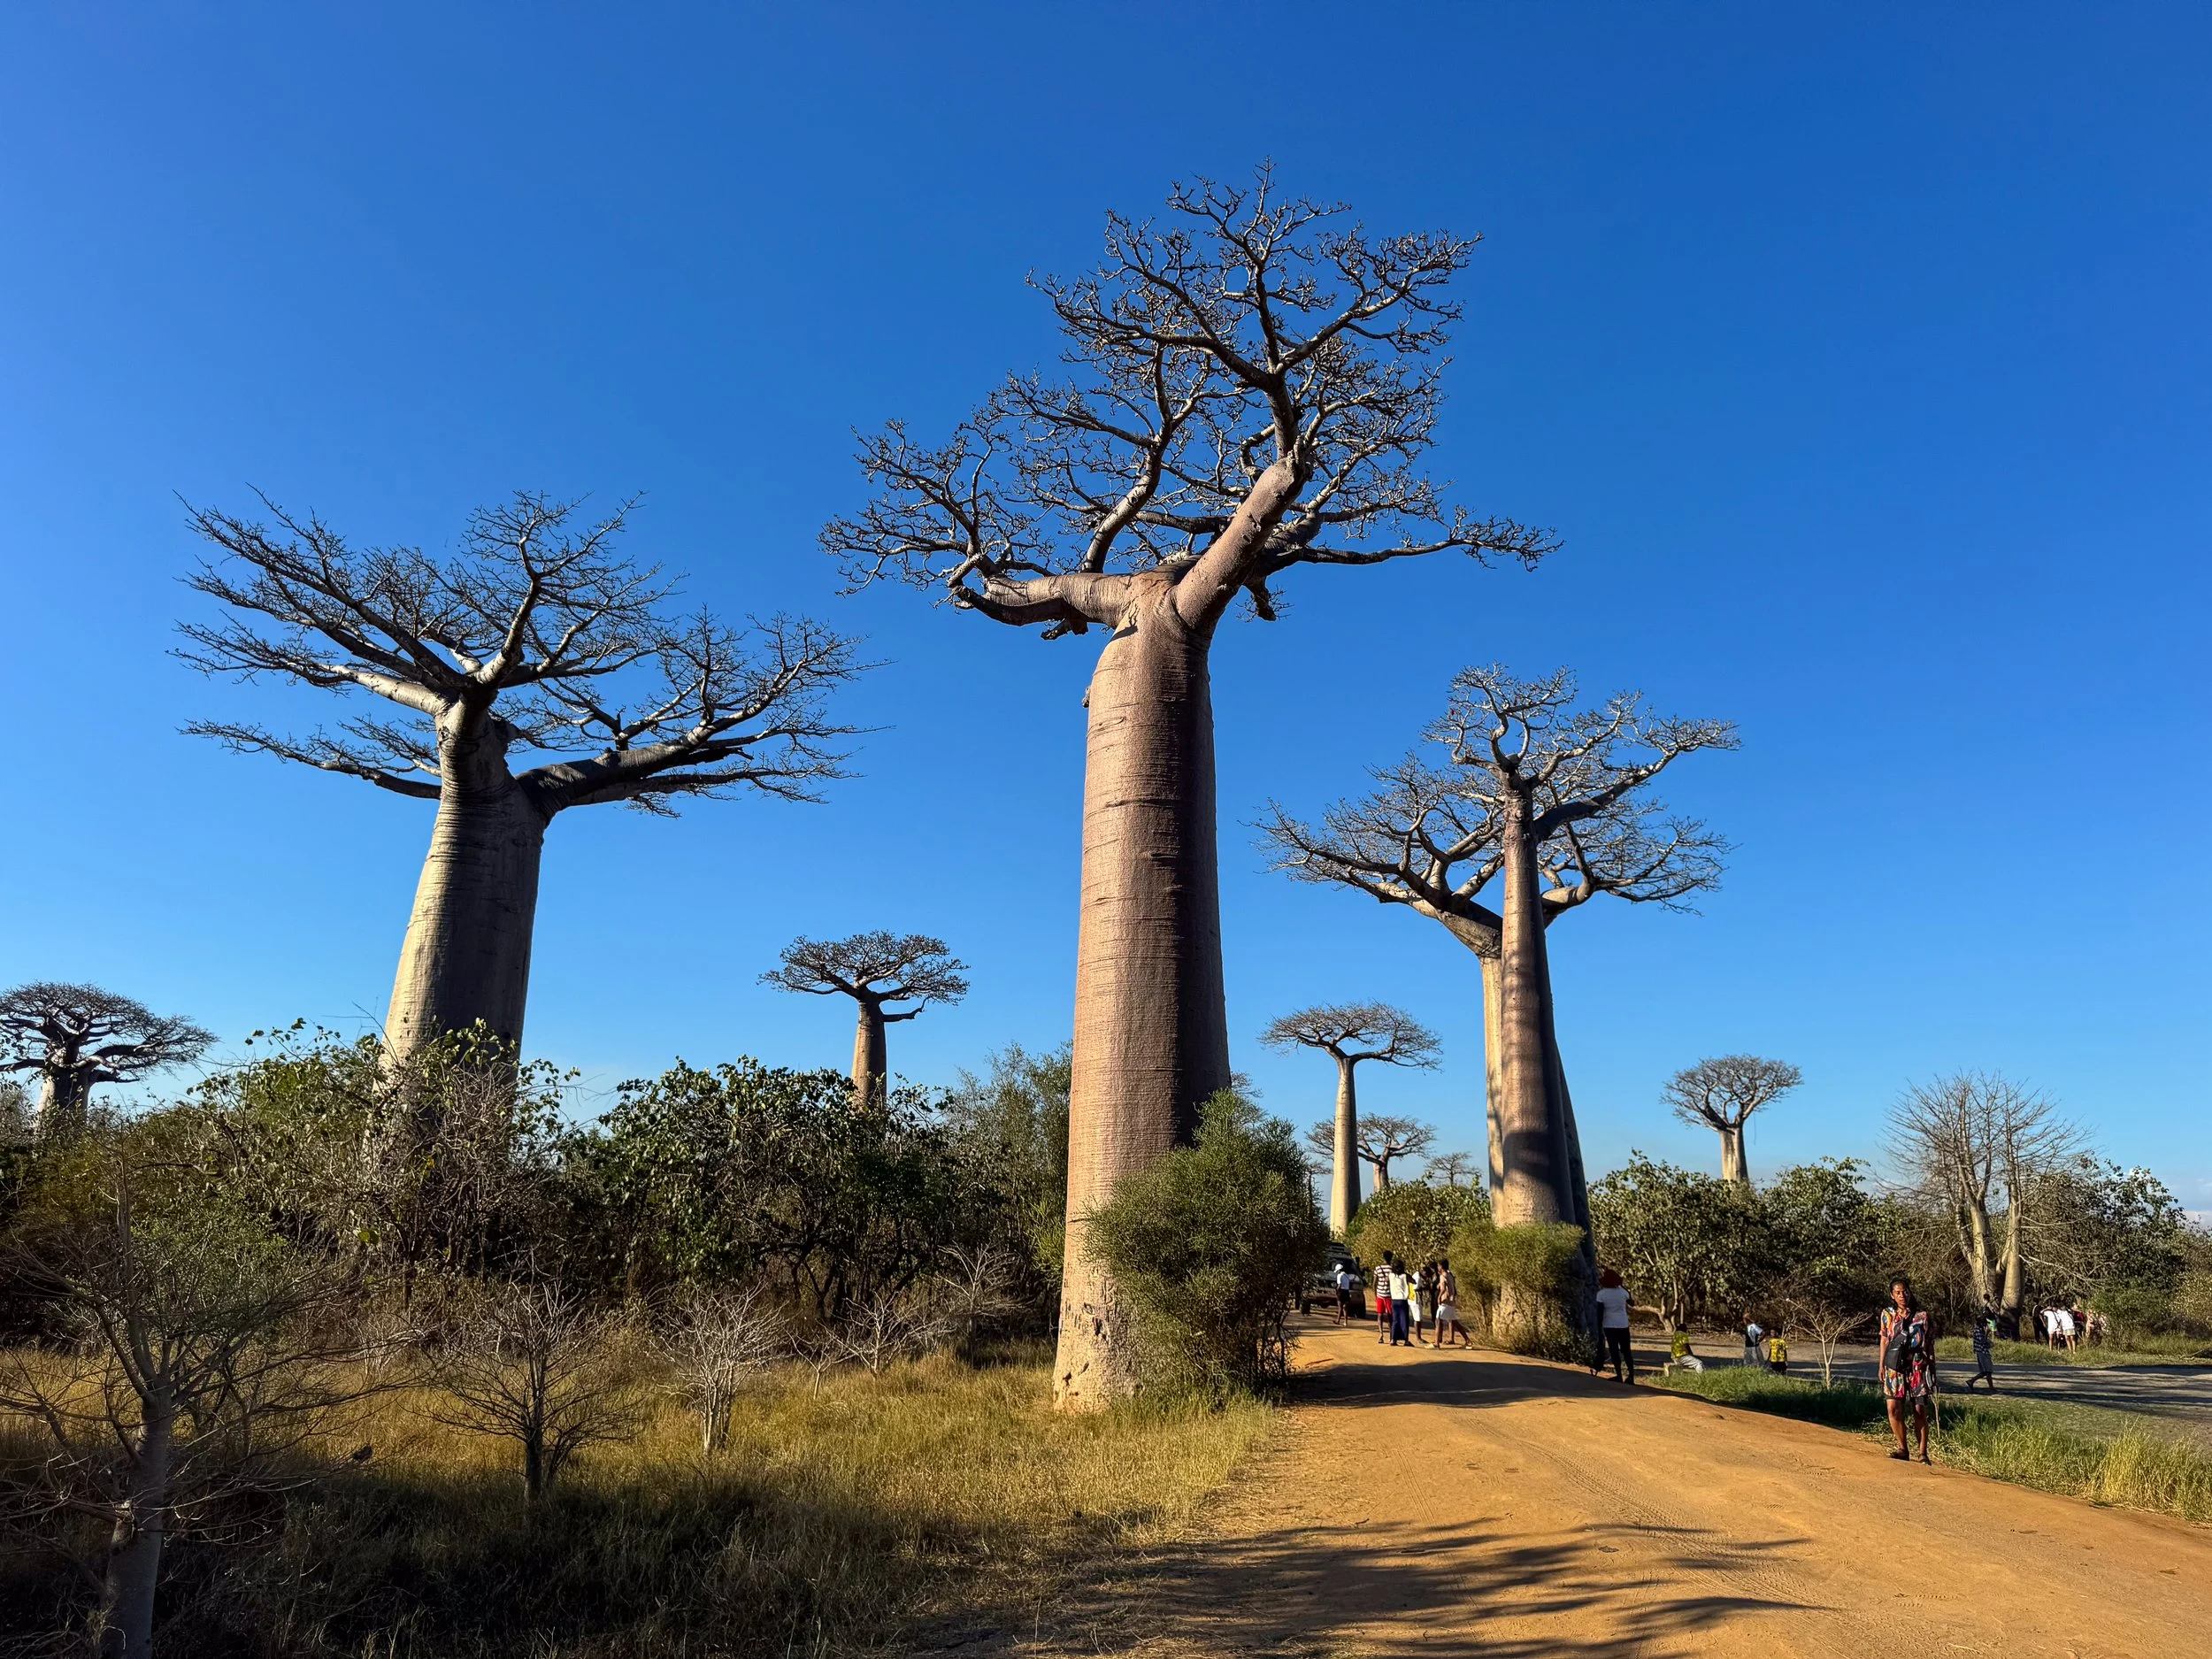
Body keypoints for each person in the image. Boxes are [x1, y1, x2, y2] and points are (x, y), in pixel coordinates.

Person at [1879, 1276, 1935, 1463]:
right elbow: (1885, 1340)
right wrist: (1881, 1365)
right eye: (1898, 1292)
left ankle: (1922, 1453)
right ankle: (1902, 1448)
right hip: (1894, 1366)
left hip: (1917, 1365)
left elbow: (1929, 1344)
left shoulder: (1922, 1316)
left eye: (1905, 1292)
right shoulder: (1886, 1315)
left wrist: (1932, 1369)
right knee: (1893, 1408)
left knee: (1919, 1408)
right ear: (1892, 1295)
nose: (1902, 1295)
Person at [1595, 1267, 1634, 1383]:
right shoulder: (1623, 1292)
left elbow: (1600, 1312)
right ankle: (1631, 1376)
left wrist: (1598, 1326)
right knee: (1626, 1350)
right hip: (1623, 1324)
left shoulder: (1601, 1294)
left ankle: (1619, 1375)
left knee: (1614, 1350)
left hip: (1609, 1325)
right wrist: (1624, 1288)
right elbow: (1632, 1303)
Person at [1434, 1258, 1467, 1348]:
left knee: (1439, 1320)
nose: (1437, 1267)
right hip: (1451, 1302)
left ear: (1441, 1267)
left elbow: (1443, 1289)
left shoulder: (1442, 1276)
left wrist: (1439, 1297)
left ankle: (1436, 1343)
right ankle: (1468, 1340)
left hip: (1445, 1302)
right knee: (1455, 1322)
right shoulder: (1450, 1275)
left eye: (1438, 1266)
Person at [1966, 1306, 1996, 1392]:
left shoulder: (1980, 1329)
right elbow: (1982, 1341)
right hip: (1982, 1352)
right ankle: (1991, 1388)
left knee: (1985, 1371)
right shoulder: (1978, 1330)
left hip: (1983, 1351)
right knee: (1988, 1371)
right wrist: (1987, 1334)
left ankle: (1971, 1381)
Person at [1390, 1262, 1414, 1347]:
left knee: (1395, 1320)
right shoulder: (1405, 1276)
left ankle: (1393, 1339)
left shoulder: (1391, 1276)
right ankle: (1406, 1340)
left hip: (1394, 1301)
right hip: (1403, 1301)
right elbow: (1413, 1281)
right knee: (1404, 1320)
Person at [1374, 1255, 1394, 1346]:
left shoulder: (1378, 1268)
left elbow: (1374, 1283)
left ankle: (1381, 1334)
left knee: (1380, 1315)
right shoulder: (1392, 1269)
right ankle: (1391, 1336)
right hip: (1389, 1295)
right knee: (1390, 1316)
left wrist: (1376, 1294)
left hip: (1380, 1294)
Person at [1333, 1260, 1356, 1325]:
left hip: (1341, 1292)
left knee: (1340, 1307)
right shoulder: (1347, 1275)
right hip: (1347, 1292)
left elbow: (1339, 1285)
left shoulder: (1339, 1275)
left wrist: (1336, 1291)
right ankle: (1345, 1322)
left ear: (1338, 1270)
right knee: (1345, 1308)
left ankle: (1338, 1320)